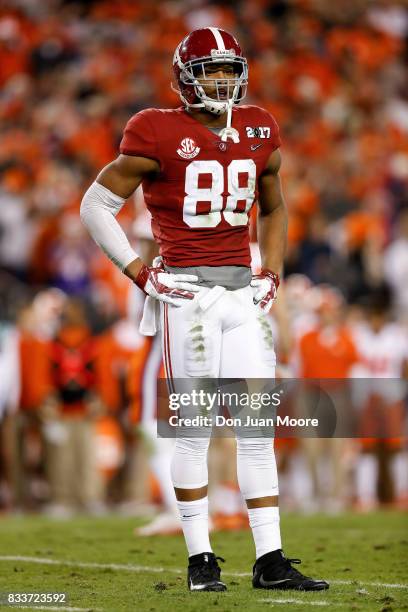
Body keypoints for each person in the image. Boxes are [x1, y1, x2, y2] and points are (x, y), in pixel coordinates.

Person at [81, 27, 328, 593]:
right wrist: (139, 273)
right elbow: (95, 204)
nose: (220, 80)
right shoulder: (153, 128)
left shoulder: (261, 125)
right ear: (184, 76)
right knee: (192, 432)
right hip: (188, 296)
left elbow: (275, 206)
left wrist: (272, 271)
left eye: (228, 69)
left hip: (243, 294)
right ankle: (201, 561)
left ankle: (270, 559)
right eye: (209, 69)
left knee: (257, 431)